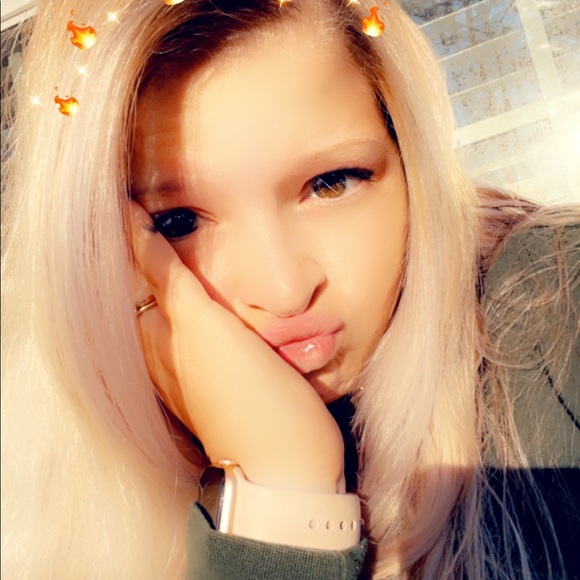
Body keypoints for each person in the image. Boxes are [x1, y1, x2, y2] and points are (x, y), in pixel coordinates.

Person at [1, 0, 578, 578]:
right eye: (178, 222)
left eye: (331, 183)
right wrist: (284, 488)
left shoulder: (555, 306)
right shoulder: (51, 488)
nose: (285, 291)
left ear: (408, 157)